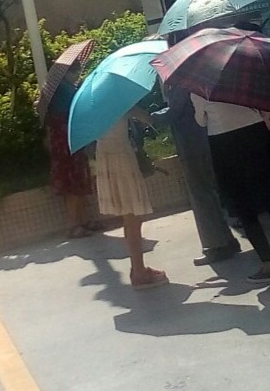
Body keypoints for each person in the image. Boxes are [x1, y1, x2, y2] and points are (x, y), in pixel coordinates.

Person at [191, 93, 270, 284]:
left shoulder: (199, 86)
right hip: (256, 131)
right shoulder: (243, 78)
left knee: (244, 207)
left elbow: (200, 120)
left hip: (224, 142)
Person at [156, 83, 239, 265]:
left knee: (200, 194)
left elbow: (174, 110)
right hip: (200, 140)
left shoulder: (180, 81)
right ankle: (225, 240)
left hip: (192, 144)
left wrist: (150, 117)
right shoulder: (191, 77)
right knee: (207, 192)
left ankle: (217, 245)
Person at [94, 110, 167, 289]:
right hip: (122, 156)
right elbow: (147, 118)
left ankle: (137, 268)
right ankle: (139, 271)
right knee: (133, 216)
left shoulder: (93, 108)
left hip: (104, 155)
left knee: (129, 217)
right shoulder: (119, 103)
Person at [44, 70, 102, 239]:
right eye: (74, 71)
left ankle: (82, 220)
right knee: (74, 183)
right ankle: (73, 224)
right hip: (67, 141)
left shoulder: (61, 89)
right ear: (66, 73)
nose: (76, 74)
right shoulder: (63, 90)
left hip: (68, 140)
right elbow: (78, 107)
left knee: (78, 181)